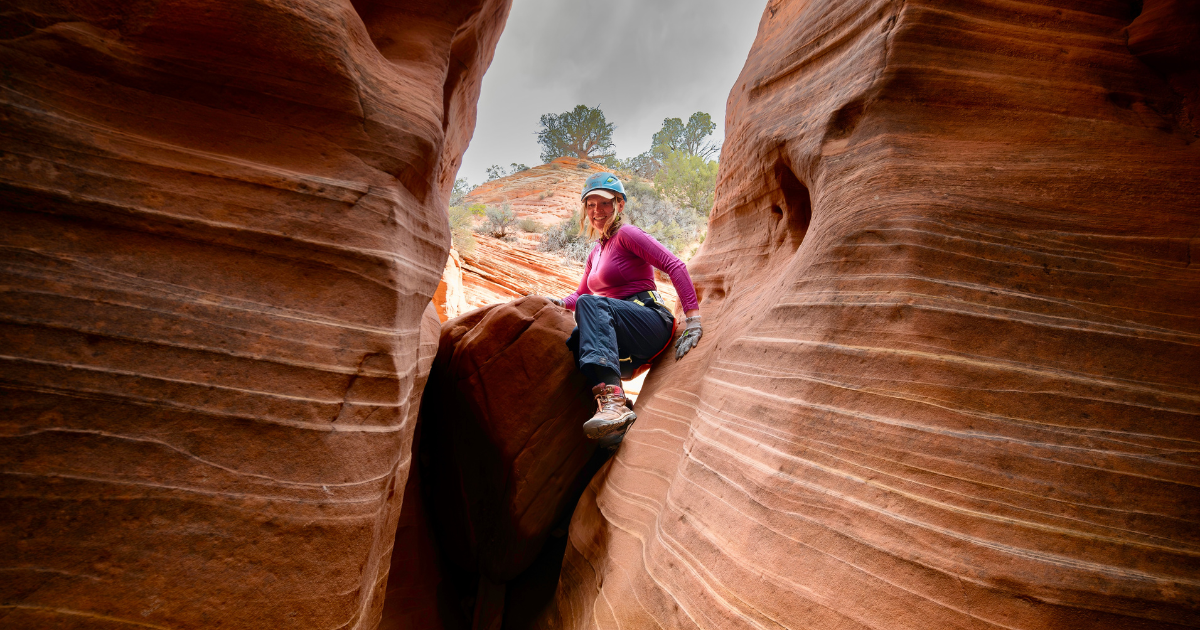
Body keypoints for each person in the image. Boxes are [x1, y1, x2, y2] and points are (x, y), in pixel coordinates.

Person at [546, 172, 702, 443]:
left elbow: (675, 265)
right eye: (591, 204)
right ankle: (611, 427)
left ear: (619, 205)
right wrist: (556, 302)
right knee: (575, 340)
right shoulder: (595, 253)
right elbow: (580, 293)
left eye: (605, 203)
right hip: (621, 341)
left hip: (650, 321)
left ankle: (614, 403)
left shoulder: (627, 235)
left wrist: (694, 319)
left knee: (590, 306)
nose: (597, 211)